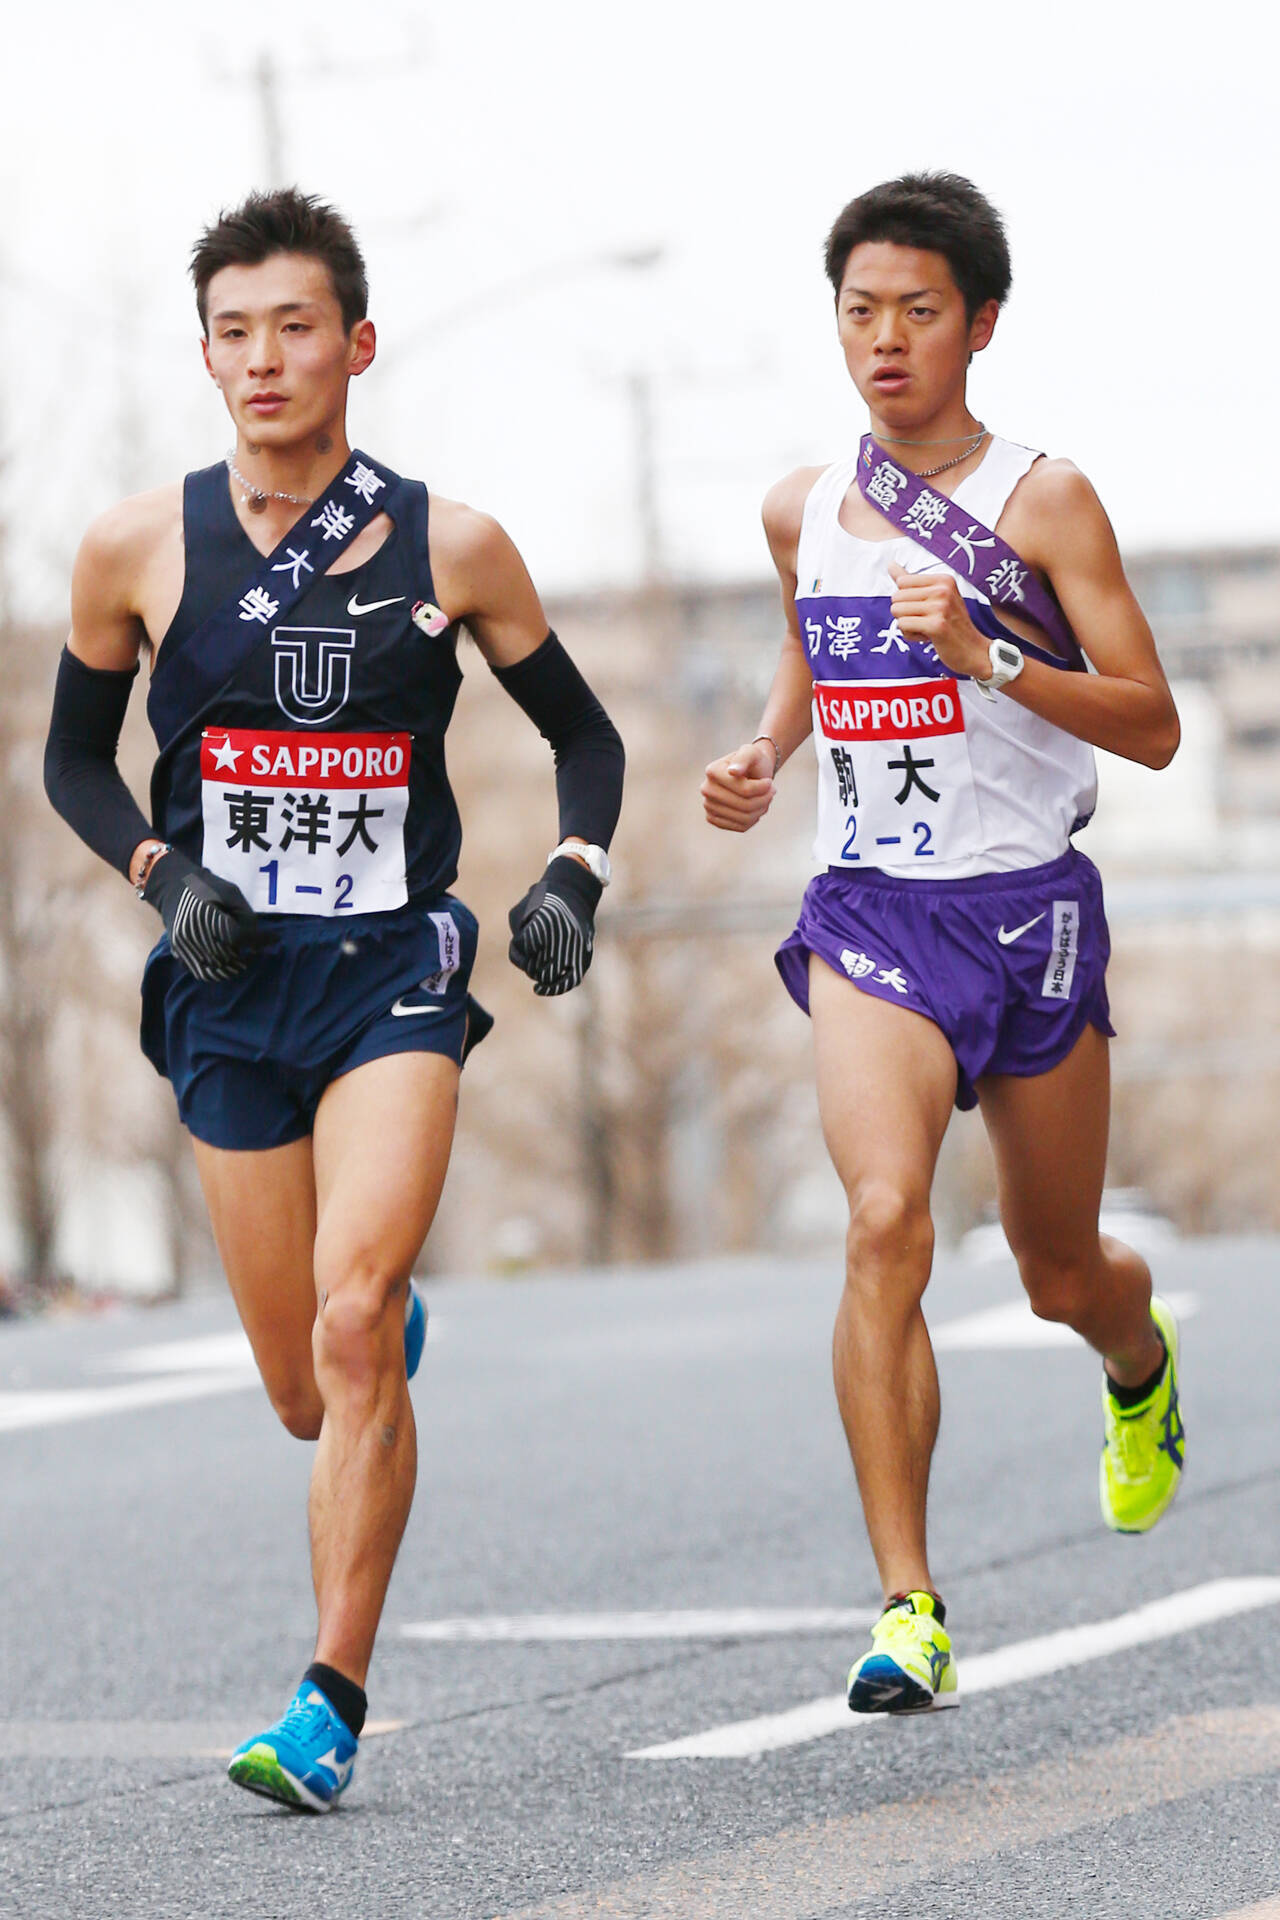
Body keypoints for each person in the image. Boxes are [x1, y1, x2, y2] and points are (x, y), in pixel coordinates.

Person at [45, 188, 623, 1807]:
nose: (265, 358)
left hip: (392, 976)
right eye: (234, 332)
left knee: (353, 1318)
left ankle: (328, 1699)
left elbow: (586, 734)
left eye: (296, 326)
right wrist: (168, 877)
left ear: (356, 344)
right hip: (228, 985)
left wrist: (573, 864)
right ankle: (363, 1337)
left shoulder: (454, 542)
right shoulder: (133, 548)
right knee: (307, 1389)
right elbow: (71, 763)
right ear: (208, 354)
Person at [701, 172, 1183, 1715]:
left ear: (980, 322)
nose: (886, 341)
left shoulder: (1045, 500)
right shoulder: (802, 505)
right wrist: (770, 753)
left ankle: (1136, 1362)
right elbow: (806, 635)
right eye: (859, 312)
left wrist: (991, 654)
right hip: (876, 915)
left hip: (1028, 911)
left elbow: (1156, 725)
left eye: (918, 311)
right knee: (883, 1219)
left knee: (1054, 1269)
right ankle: (906, 1602)